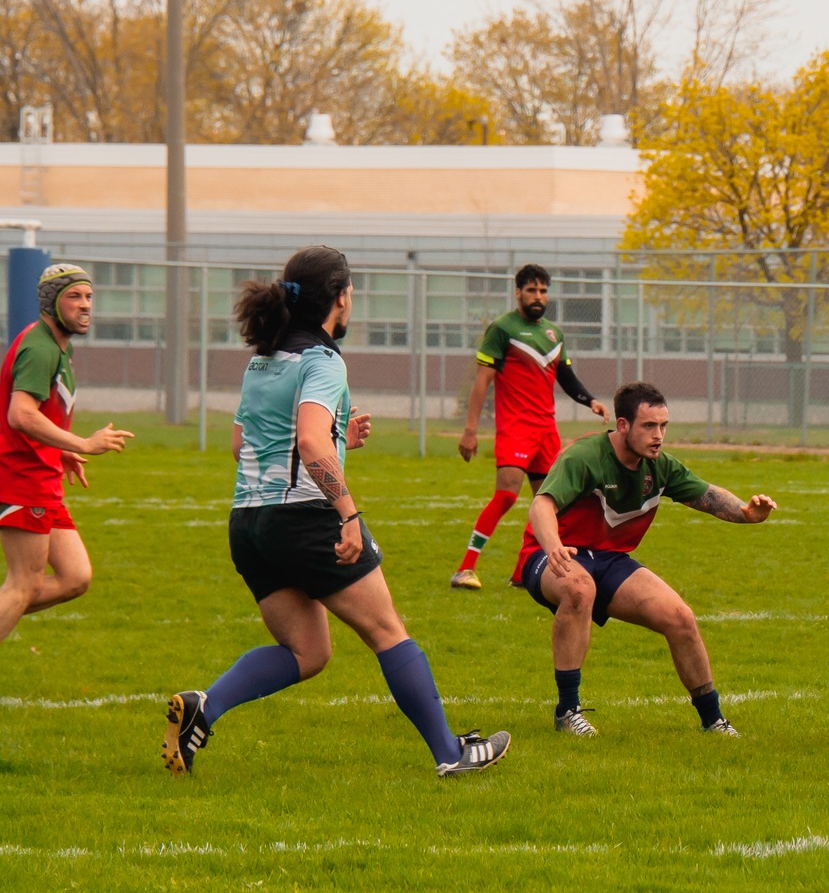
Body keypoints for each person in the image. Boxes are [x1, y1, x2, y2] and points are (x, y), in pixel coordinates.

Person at [164, 246, 510, 777]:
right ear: (340, 298)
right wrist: (347, 513)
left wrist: (338, 438)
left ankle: (203, 708)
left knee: (308, 652)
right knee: (388, 631)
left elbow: (243, 444)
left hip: (250, 524)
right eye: (352, 293)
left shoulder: (263, 360)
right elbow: (307, 443)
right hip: (306, 519)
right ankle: (450, 755)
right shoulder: (322, 360)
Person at [516, 381, 776, 737]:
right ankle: (567, 710)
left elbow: (708, 495)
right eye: (649, 426)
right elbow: (541, 505)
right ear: (623, 425)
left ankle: (712, 719)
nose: (659, 435)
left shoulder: (660, 466)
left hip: (608, 559)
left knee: (680, 617)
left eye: (663, 426)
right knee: (579, 588)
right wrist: (553, 545)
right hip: (550, 556)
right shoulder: (585, 456)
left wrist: (746, 513)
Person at [450, 264, 607, 589]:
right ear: (518, 292)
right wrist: (470, 429)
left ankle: (523, 572)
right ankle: (465, 568)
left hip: (547, 432)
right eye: (532, 290)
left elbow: (566, 376)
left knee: (547, 505)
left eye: (543, 290)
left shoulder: (554, 333)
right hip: (515, 429)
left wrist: (590, 400)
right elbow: (483, 381)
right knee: (506, 496)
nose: (539, 297)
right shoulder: (503, 329)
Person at [0, 263, 133, 644]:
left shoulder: (57, 344)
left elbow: (36, 417)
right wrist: (83, 444)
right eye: (74, 296)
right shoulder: (40, 348)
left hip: (43, 477)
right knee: (22, 585)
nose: (85, 304)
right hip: (21, 480)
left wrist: (59, 451)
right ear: (51, 302)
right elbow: (21, 414)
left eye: (89, 296)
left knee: (76, 577)